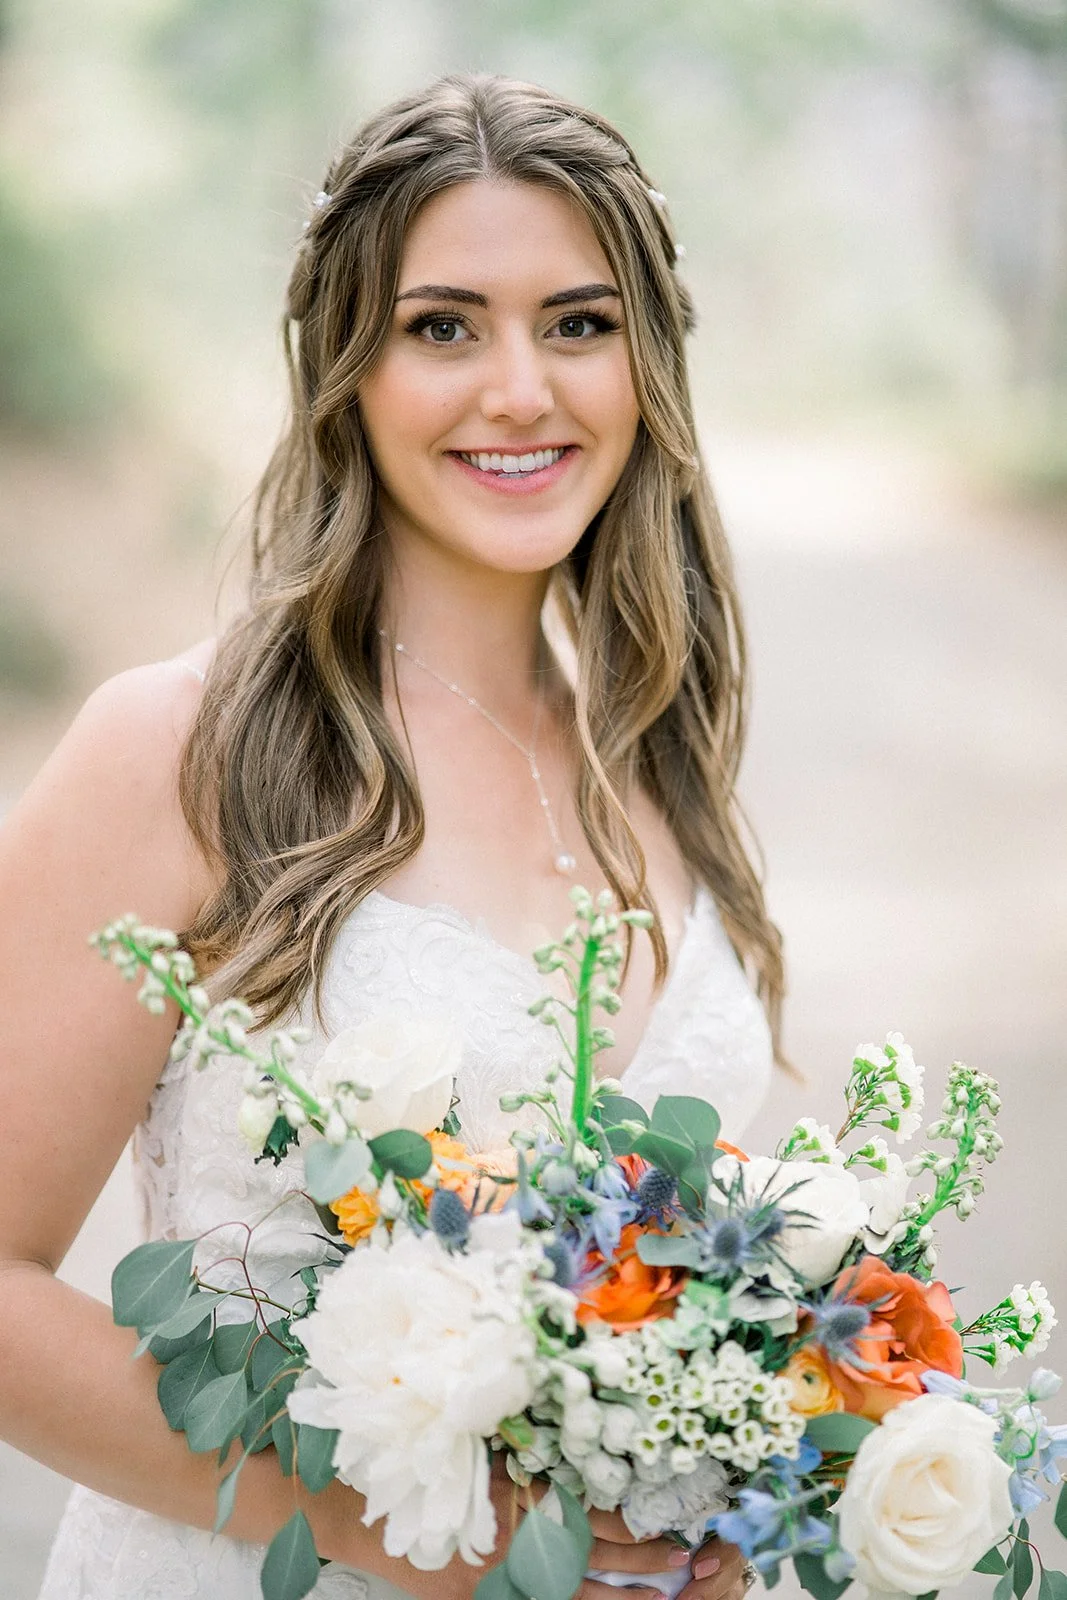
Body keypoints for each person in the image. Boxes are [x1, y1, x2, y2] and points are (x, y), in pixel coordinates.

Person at [0, 73, 784, 1600]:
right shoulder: (185, 747)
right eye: (443, 327)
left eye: (577, 321)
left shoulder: (662, 767)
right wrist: (405, 1533)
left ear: (647, 362)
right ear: (343, 368)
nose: (521, 390)